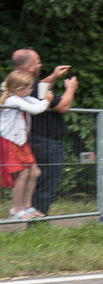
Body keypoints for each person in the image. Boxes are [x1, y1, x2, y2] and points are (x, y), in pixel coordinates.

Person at [12, 49, 75, 216]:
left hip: (34, 140)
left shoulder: (16, 84)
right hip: (46, 141)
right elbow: (63, 106)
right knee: (45, 184)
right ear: (29, 67)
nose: (41, 65)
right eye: (38, 62)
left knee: (36, 177)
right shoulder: (26, 87)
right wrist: (70, 88)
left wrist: (54, 76)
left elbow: (39, 88)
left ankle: (32, 216)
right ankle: (37, 223)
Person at [1, 70, 51, 219]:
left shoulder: (22, 97)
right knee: (23, 174)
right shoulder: (12, 100)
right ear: (18, 89)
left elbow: (38, 104)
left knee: (34, 172)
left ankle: (27, 206)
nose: (31, 90)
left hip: (21, 141)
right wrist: (47, 100)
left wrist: (45, 100)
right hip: (11, 141)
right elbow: (37, 109)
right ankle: (16, 208)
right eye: (29, 87)